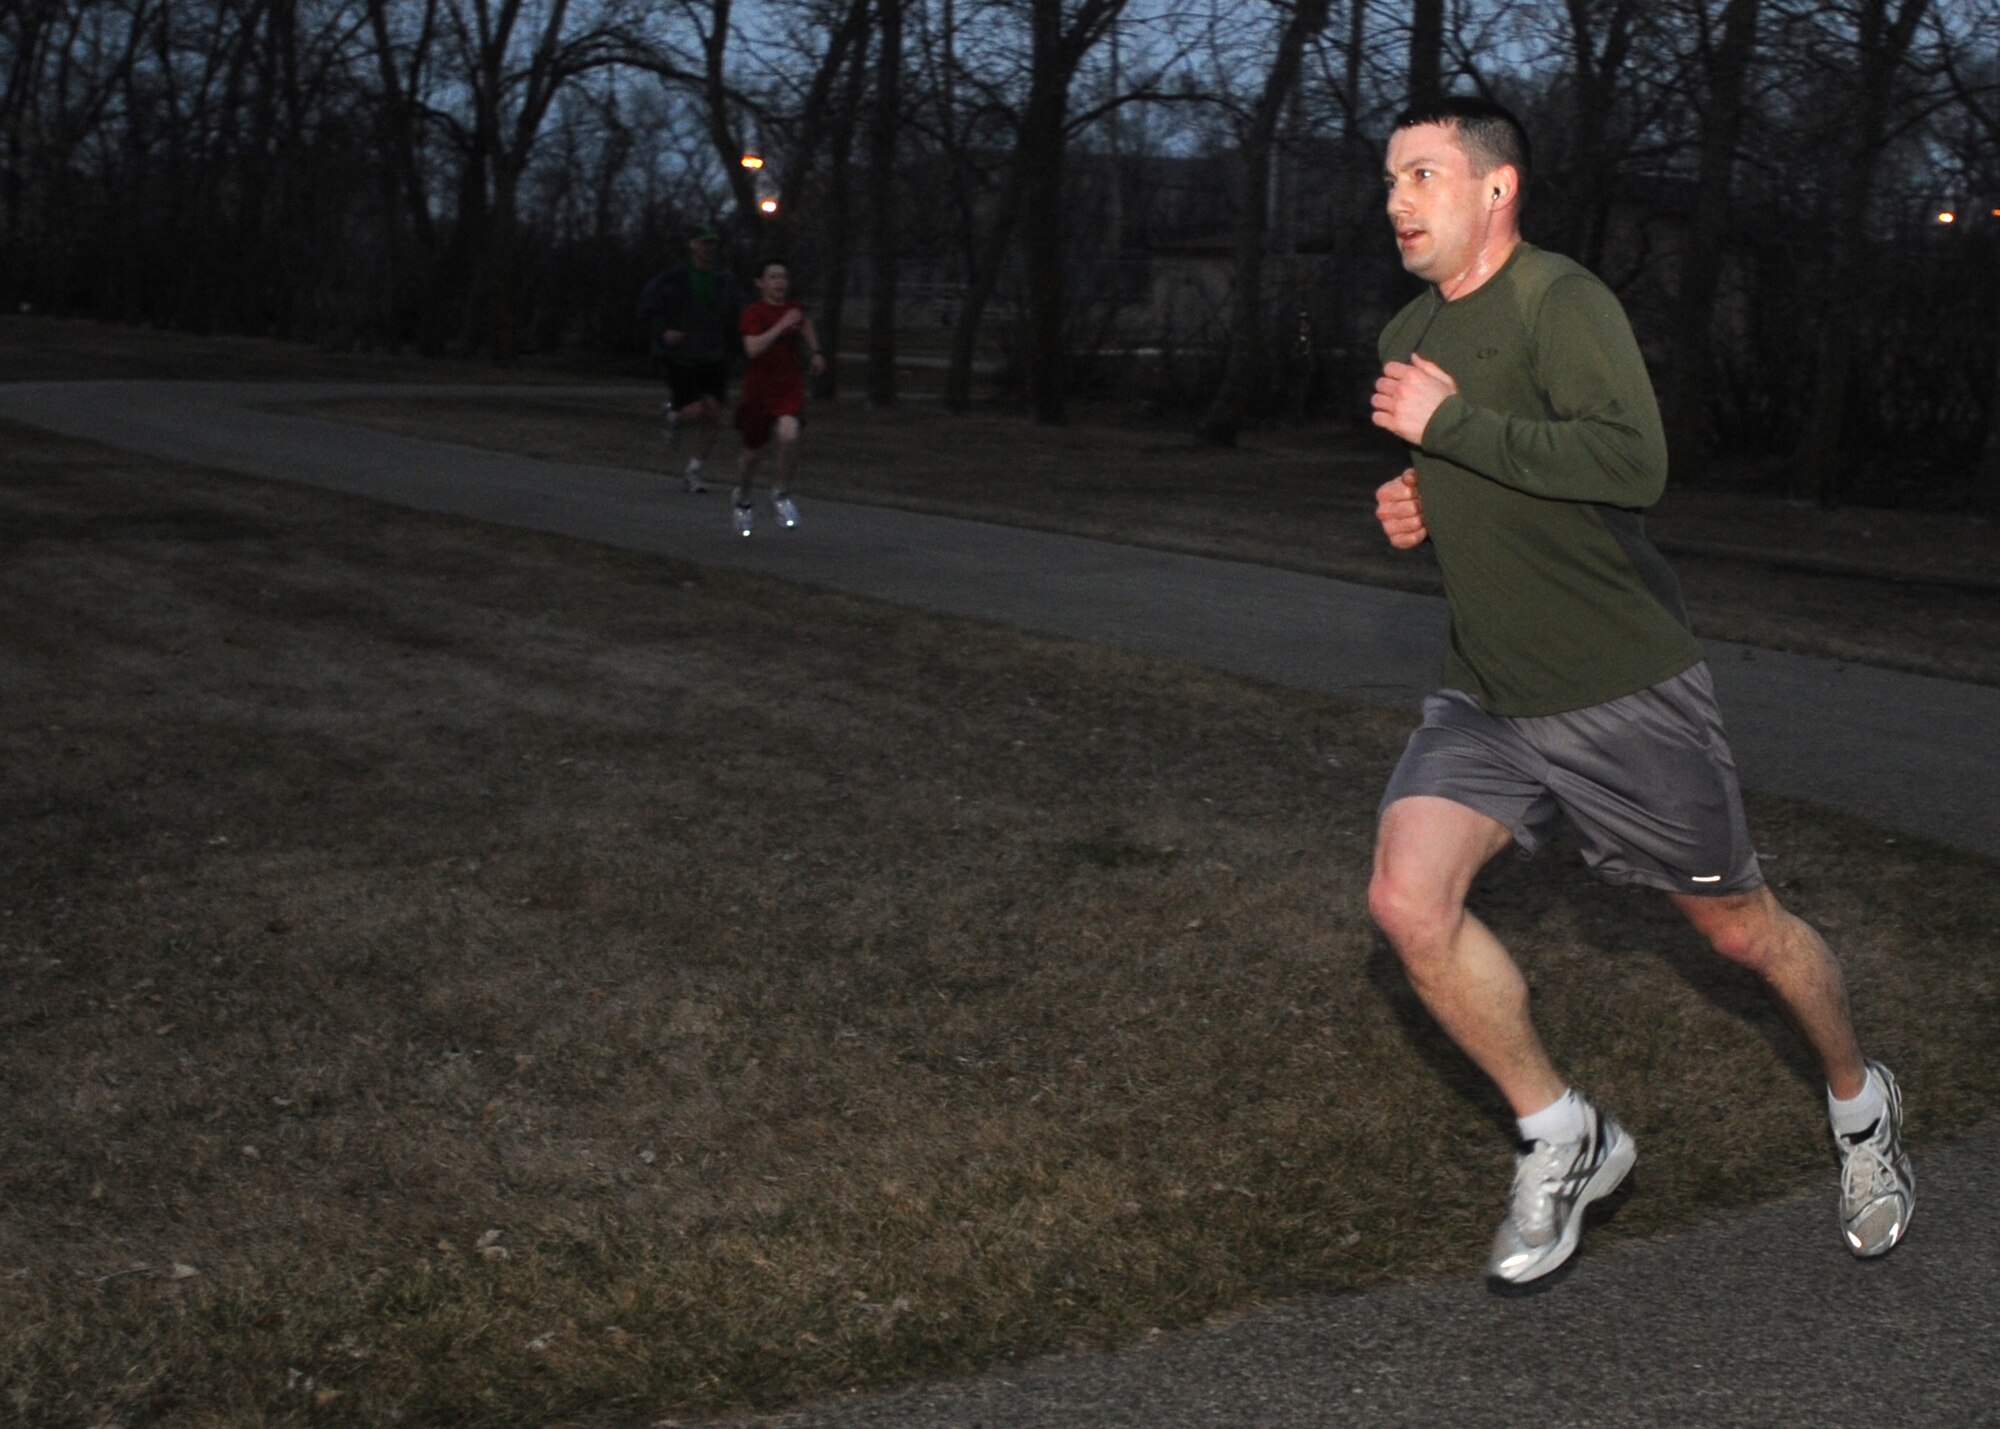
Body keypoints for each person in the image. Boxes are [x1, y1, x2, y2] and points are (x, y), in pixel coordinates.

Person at [1365, 95, 1913, 1286]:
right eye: (1390, 178)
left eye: (1421, 175)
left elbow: (1630, 462)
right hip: (1487, 692)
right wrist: (1419, 504)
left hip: (1617, 690)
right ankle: (1564, 1133)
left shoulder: (1560, 302)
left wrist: (1450, 429)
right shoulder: (1409, 329)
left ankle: (1858, 1103)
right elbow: (1470, 476)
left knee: (1740, 933)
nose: (1396, 200)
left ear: (1493, 189)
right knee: (1407, 906)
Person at [637, 228, 748, 493]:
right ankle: (673, 413)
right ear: (692, 245)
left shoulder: (724, 279)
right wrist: (663, 331)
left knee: (714, 413)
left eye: (713, 243)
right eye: (703, 243)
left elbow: (744, 309)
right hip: (680, 356)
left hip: (712, 355)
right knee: (696, 411)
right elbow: (649, 307)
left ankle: (694, 470)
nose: (709, 248)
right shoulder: (674, 278)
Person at [731, 259, 826, 538]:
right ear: (760, 283)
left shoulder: (794, 309)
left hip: (788, 387)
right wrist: (780, 326)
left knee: (789, 435)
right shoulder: (753, 312)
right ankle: (743, 500)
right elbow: (752, 349)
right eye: (773, 277)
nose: (780, 282)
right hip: (759, 391)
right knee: (751, 456)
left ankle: (781, 493)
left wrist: (816, 352)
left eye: (783, 276)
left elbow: (805, 323)